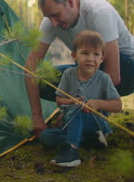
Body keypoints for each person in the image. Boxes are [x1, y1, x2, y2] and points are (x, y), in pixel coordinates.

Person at [25, 0, 134, 137]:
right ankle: (86, 122)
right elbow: (29, 68)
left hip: (129, 69)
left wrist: (73, 111)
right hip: (91, 69)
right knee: (43, 81)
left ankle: (94, 119)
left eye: (55, 15)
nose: (53, 23)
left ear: (70, 1)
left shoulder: (99, 12)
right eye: (48, 17)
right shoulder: (50, 22)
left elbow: (113, 76)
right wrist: (37, 117)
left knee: (92, 63)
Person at [39, 30, 122, 167]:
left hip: (94, 123)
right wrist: (72, 101)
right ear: (74, 55)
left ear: (102, 58)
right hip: (70, 123)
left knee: (79, 111)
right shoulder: (68, 74)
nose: (90, 59)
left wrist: (97, 103)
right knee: (46, 137)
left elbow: (118, 106)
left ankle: (71, 153)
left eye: (96, 54)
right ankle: (88, 140)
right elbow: (59, 101)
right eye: (85, 53)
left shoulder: (103, 78)